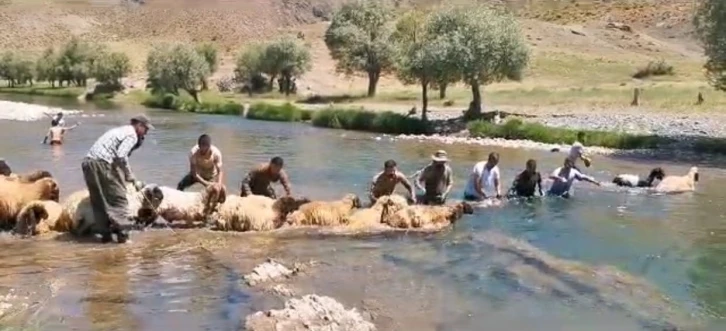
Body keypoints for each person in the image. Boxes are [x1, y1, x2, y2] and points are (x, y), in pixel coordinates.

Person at [83, 114, 153, 243]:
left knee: (99, 201)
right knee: (119, 199)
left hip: (88, 163)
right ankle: (123, 236)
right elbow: (121, 156)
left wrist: (122, 176)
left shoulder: (120, 130)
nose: (146, 133)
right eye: (146, 129)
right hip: (101, 164)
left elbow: (115, 159)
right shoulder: (132, 135)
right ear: (139, 126)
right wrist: (130, 175)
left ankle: (105, 235)